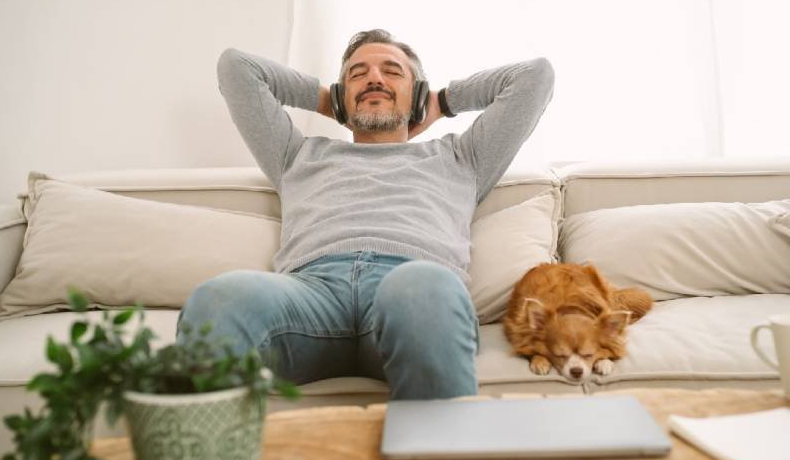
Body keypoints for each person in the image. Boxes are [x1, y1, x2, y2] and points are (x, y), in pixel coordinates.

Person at [177, 29, 554, 399]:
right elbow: (236, 67)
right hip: (310, 296)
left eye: (391, 72)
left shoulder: (462, 157)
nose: (373, 78)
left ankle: (442, 457)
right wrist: (328, 100)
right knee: (218, 299)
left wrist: (442, 101)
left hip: (412, 292)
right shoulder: (295, 155)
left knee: (421, 287)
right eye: (357, 74)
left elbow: (535, 77)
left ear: (418, 92)